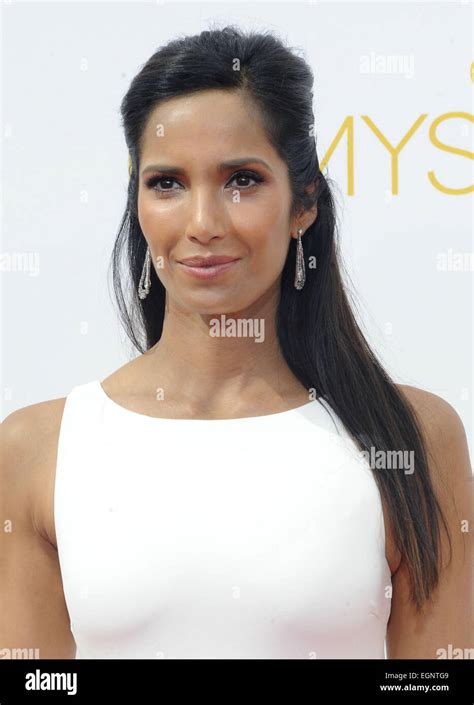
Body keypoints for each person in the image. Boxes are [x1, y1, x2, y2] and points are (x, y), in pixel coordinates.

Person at [1, 26, 472, 660]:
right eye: (166, 182)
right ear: (137, 203)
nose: (203, 224)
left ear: (303, 202)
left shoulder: (411, 437)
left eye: (242, 180)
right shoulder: (36, 451)